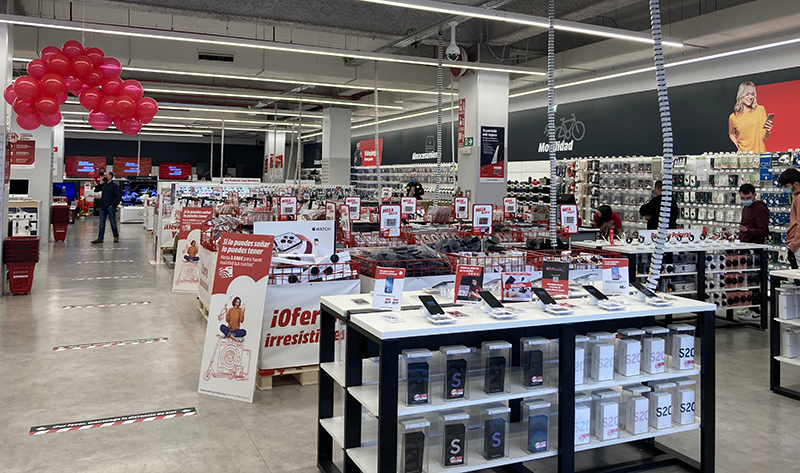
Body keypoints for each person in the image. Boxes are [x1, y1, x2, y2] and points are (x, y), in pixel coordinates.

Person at [728, 81, 773, 153]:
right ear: (741, 95)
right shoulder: (733, 117)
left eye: (752, 94)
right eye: (747, 94)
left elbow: (765, 137)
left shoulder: (760, 110)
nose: (750, 97)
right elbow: (731, 134)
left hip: (759, 154)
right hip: (743, 156)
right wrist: (738, 145)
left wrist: (767, 130)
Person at [91, 171, 121, 244]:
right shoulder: (104, 185)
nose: (104, 176)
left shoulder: (115, 186)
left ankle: (116, 236)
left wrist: (112, 205)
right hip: (103, 207)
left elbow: (118, 197)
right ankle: (100, 238)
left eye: (106, 175)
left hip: (110, 207)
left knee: (112, 222)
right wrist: (100, 183)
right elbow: (96, 190)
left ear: (110, 177)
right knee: (101, 223)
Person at [780, 168, 800, 270]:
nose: (784, 188)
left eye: (786, 186)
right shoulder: (796, 197)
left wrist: (794, 245)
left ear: (796, 184)